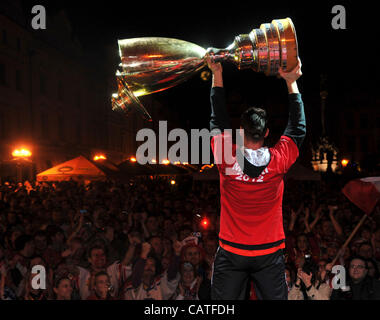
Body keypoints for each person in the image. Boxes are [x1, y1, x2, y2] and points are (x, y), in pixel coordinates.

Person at [206, 53, 305, 300]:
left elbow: (217, 118)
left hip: (231, 252)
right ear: (267, 133)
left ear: (240, 132)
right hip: (269, 254)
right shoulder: (279, 161)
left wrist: (217, 73)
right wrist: (291, 82)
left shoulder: (225, 157)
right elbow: (297, 128)